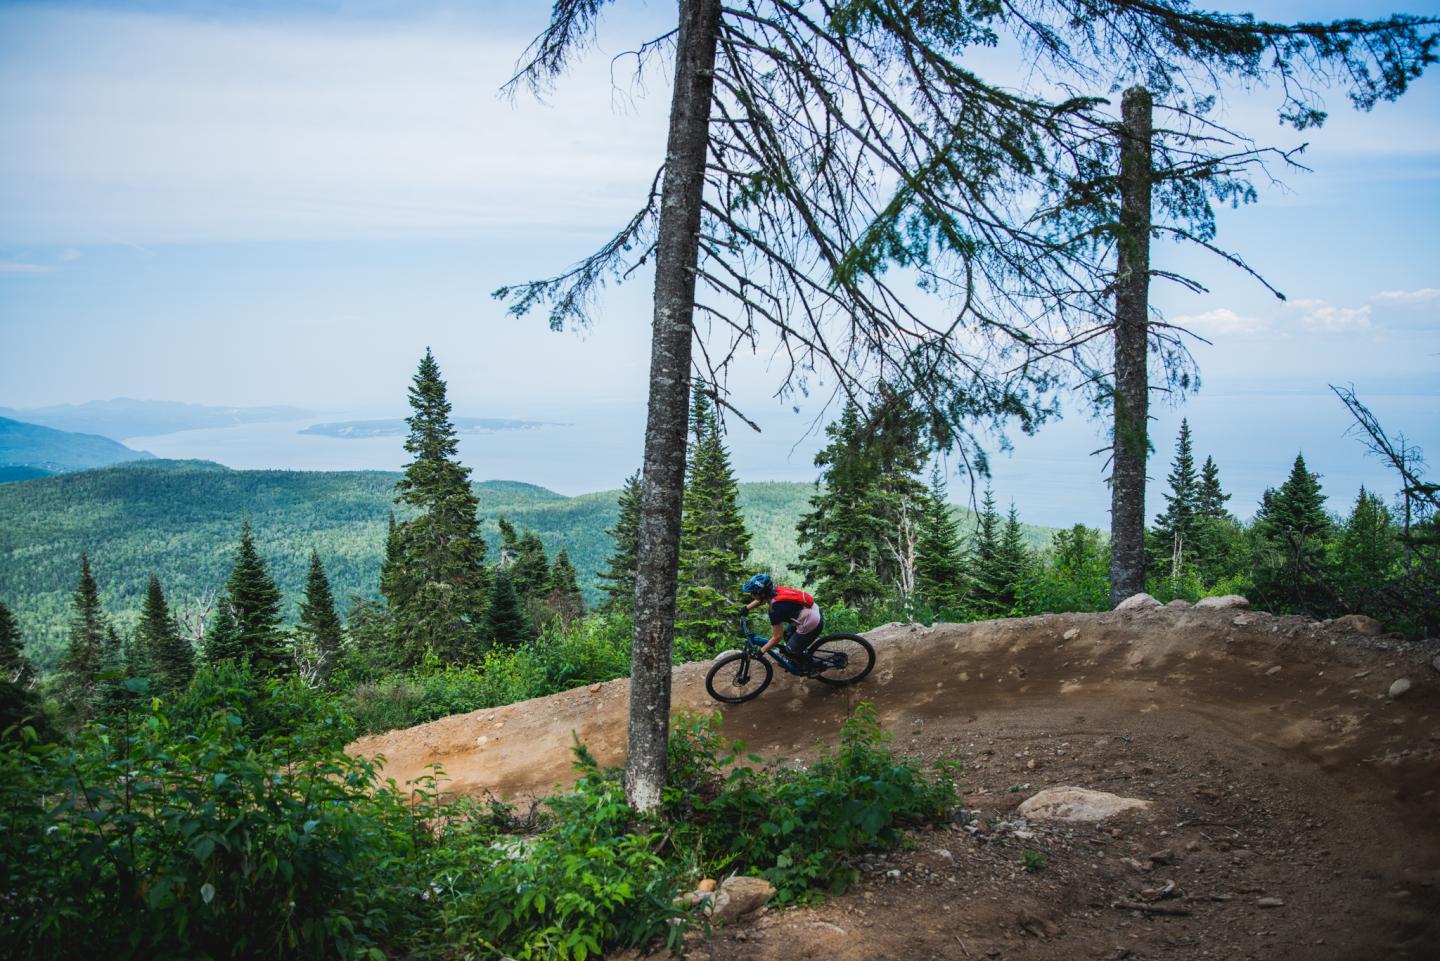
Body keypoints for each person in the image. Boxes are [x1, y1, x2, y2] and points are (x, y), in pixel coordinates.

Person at [740, 573, 823, 673]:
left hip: (811, 622)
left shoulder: (775, 609)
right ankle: (797, 654)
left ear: (762, 593)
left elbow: (777, 637)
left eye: (753, 593)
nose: (752, 595)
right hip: (811, 610)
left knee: (790, 650)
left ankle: (813, 667)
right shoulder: (774, 590)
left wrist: (761, 651)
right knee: (787, 635)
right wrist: (747, 608)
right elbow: (762, 600)